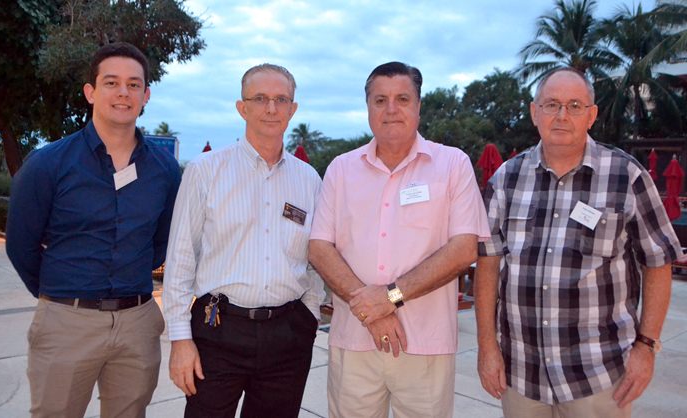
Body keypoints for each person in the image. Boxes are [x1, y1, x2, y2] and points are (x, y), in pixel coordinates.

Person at [475, 67, 683, 418]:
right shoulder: (506, 179)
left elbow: (658, 260)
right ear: (534, 112)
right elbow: (488, 264)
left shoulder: (626, 175)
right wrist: (486, 347)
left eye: (574, 105)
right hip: (521, 374)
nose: (561, 115)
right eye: (552, 104)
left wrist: (646, 347)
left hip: (599, 375)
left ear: (592, 115)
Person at [5, 42, 181, 418]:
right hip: (67, 321)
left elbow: (163, 239)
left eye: (134, 85)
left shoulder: (164, 171)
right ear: (90, 92)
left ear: (146, 95)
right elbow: (20, 246)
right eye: (112, 82)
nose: (123, 93)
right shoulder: (47, 164)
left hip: (137, 322)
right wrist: (62, 291)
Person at [309, 61, 490, 418]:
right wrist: (371, 312)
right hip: (354, 341)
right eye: (380, 100)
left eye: (402, 98)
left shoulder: (452, 165)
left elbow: (464, 248)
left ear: (419, 105)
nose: (391, 109)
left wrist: (390, 297)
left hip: (426, 344)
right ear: (368, 108)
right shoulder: (341, 169)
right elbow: (319, 247)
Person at [163, 63, 324, 417]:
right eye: (261, 98)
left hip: (288, 334)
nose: (271, 108)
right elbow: (181, 258)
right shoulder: (205, 170)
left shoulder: (309, 180)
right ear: (242, 107)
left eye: (281, 99)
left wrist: (308, 316)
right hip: (218, 330)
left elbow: (315, 257)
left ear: (293, 109)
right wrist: (179, 338)